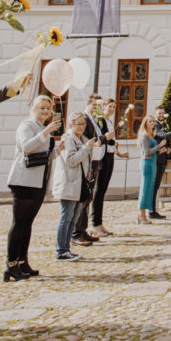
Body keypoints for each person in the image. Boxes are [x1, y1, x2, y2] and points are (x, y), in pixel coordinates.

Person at [5, 94, 61, 280]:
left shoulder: (42, 127)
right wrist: (45, 134)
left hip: (38, 180)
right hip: (23, 180)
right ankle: (11, 264)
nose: (45, 111)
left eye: (48, 108)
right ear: (34, 109)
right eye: (42, 108)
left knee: (28, 223)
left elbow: (42, 155)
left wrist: (56, 151)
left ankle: (23, 261)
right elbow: (27, 147)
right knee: (19, 223)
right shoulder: (27, 125)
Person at [52, 111, 98, 260]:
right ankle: (60, 250)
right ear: (71, 125)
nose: (81, 127)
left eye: (83, 124)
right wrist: (86, 148)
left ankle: (66, 248)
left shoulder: (82, 139)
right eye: (78, 124)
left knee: (73, 218)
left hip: (80, 185)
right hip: (69, 183)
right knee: (66, 216)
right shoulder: (68, 139)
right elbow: (71, 160)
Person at [72, 93, 114, 245]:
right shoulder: (84, 119)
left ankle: (83, 230)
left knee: (88, 196)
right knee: (84, 197)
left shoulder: (96, 120)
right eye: (95, 106)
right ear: (88, 104)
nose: (97, 109)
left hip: (97, 160)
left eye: (98, 106)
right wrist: (105, 138)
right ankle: (77, 232)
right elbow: (88, 141)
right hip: (88, 162)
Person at [91, 97, 128, 236]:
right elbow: (102, 140)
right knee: (98, 190)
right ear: (104, 107)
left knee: (103, 189)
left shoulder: (110, 122)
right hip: (102, 157)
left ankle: (99, 223)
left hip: (110, 156)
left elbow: (112, 141)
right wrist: (111, 142)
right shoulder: (99, 121)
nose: (112, 109)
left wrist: (120, 153)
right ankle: (95, 223)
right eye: (110, 106)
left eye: (114, 107)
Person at [150, 104, 171, 220]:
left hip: (162, 158)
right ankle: (151, 210)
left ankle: (153, 209)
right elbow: (164, 135)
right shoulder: (155, 125)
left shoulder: (162, 124)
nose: (161, 115)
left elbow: (164, 139)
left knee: (156, 185)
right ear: (156, 114)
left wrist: (168, 148)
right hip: (157, 158)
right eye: (159, 113)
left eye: (162, 113)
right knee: (154, 185)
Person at [137, 115, 169, 224]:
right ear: (145, 123)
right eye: (149, 121)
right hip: (146, 163)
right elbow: (147, 152)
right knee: (145, 189)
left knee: (149, 189)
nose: (151, 123)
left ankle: (143, 215)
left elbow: (153, 151)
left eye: (153, 121)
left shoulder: (151, 135)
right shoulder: (144, 135)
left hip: (152, 162)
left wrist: (162, 150)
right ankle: (141, 215)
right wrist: (159, 145)